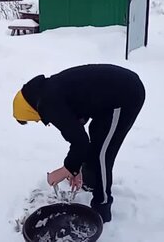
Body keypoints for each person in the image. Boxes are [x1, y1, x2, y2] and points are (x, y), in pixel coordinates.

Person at [12, 64, 145, 223]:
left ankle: (101, 207)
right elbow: (78, 130)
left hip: (125, 95)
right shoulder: (45, 92)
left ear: (28, 111)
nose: (38, 120)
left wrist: (64, 170)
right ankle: (90, 181)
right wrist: (76, 169)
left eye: (33, 120)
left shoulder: (48, 104)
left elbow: (80, 141)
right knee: (96, 139)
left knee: (102, 155)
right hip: (108, 100)